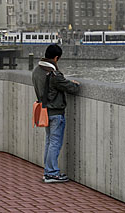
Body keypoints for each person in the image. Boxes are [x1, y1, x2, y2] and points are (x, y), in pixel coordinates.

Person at [33, 43, 79, 184]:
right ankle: (52, 173)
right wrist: (75, 84)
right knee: (54, 143)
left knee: (49, 142)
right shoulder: (53, 74)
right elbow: (72, 88)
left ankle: (48, 171)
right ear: (56, 57)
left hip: (45, 111)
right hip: (56, 112)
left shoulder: (36, 71)